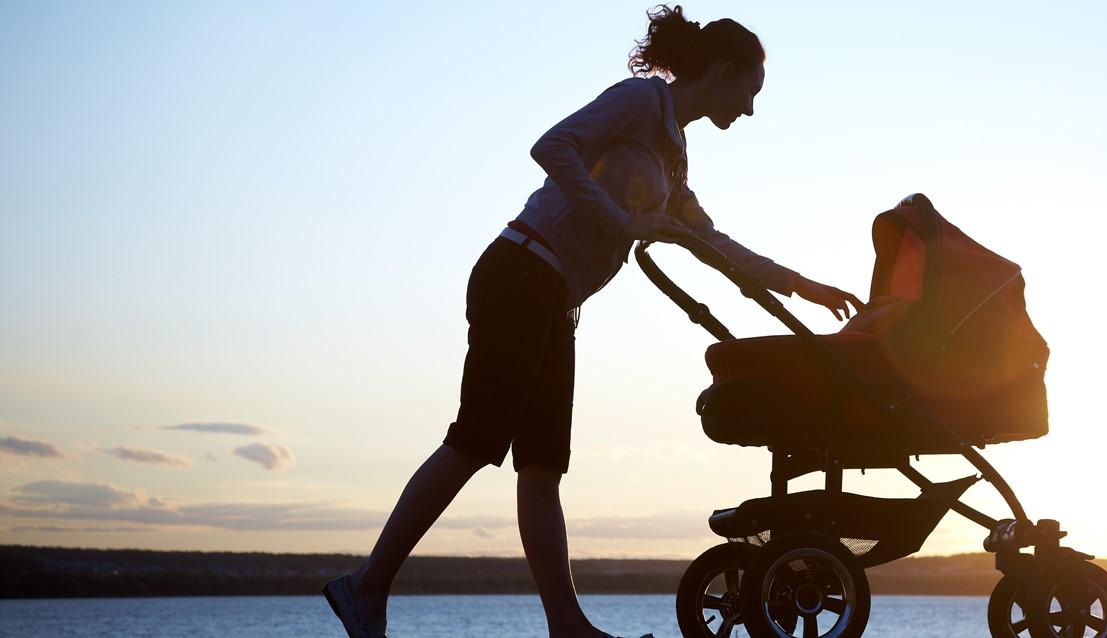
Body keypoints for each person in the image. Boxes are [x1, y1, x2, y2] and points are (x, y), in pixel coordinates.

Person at [321, 5, 863, 637]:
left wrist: (801, 285)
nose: (749, 109)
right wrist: (623, 221)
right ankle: (364, 586)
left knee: (544, 465)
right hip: (518, 272)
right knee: (476, 440)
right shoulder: (639, 101)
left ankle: (566, 626)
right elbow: (552, 146)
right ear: (723, 71)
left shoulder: (673, 157)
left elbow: (714, 245)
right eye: (750, 91)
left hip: (554, 297)